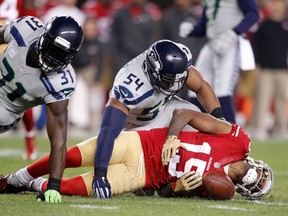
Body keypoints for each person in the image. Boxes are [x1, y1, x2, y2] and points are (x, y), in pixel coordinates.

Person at [0, 109, 274, 201]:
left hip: (142, 175)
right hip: (141, 143)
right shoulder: (238, 140)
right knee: (69, 157)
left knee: (71, 188)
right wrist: (172, 136)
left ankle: (30, 184)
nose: (255, 177)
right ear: (257, 163)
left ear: (243, 189)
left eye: (256, 183)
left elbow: (165, 193)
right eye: (261, 176)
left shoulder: (220, 188)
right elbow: (184, 114)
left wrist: (176, 188)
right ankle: (13, 178)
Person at [92, 39, 226, 199]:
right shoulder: (130, 85)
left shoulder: (176, 64)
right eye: (169, 80)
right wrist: (100, 174)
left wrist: (220, 120)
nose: (176, 86)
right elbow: (108, 129)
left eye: (179, 80)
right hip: (135, 126)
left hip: (162, 110)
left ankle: (187, 173)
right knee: (134, 167)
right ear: (153, 73)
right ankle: (155, 181)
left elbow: (201, 86)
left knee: (194, 115)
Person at [0, 15, 84, 202]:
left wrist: (54, 186)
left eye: (61, 54)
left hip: (6, 109)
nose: (53, 57)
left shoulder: (61, 82)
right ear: (43, 37)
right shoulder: (26, 29)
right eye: (52, 48)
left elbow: (58, 138)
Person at [179, 0, 259, 123]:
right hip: (211, 43)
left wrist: (234, 33)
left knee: (223, 89)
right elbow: (207, 24)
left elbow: (253, 14)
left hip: (230, 43)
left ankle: (231, 133)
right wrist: (193, 30)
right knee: (195, 86)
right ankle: (195, 128)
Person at [0, 0, 37, 160]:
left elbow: (30, 18)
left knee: (18, 91)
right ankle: (30, 137)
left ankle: (30, 136)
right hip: (9, 38)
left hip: (10, 40)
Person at [248, 0, 288, 140]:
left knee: (282, 99)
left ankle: (281, 128)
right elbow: (255, 46)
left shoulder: (286, 25)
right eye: (275, 3)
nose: (278, 6)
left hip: (283, 70)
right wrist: (256, 64)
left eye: (280, 3)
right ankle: (259, 128)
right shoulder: (264, 25)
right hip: (265, 69)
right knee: (262, 98)